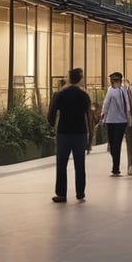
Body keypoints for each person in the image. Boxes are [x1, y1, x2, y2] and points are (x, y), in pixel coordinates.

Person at [48, 67, 91, 203]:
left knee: (61, 163)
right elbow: (89, 117)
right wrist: (90, 136)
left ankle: (61, 194)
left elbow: (52, 112)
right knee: (80, 164)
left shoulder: (61, 94)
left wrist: (52, 123)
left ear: (69, 78)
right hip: (80, 133)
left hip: (64, 133)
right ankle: (80, 192)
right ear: (79, 79)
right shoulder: (84, 96)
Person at [100, 71, 130, 176]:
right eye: (113, 80)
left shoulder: (122, 90)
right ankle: (115, 164)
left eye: (116, 80)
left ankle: (115, 167)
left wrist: (128, 116)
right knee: (113, 144)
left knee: (116, 144)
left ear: (120, 81)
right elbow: (106, 104)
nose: (114, 82)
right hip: (112, 120)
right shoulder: (112, 90)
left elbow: (126, 104)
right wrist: (103, 116)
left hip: (120, 121)